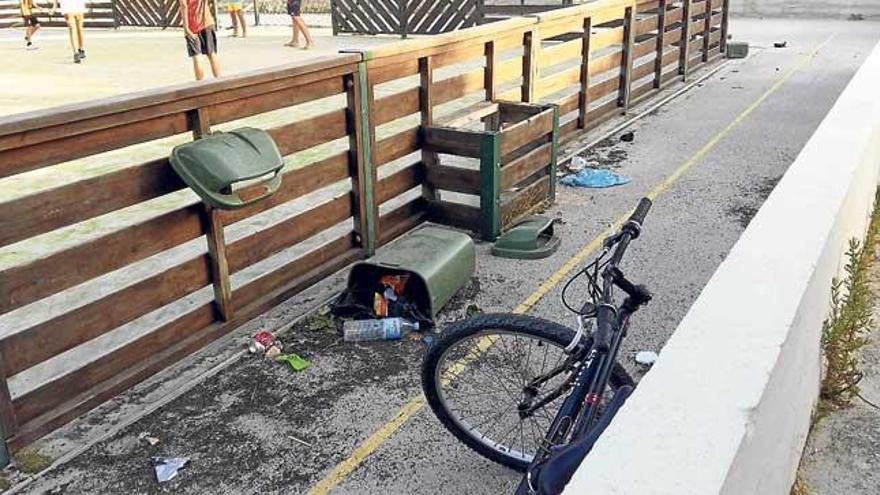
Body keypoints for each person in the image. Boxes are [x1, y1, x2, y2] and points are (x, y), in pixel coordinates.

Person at [178, 0, 221, 81]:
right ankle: (219, 81)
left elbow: (184, 5)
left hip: (192, 26)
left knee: (196, 56)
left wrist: (186, 28)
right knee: (211, 54)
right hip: (206, 22)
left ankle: (199, 84)